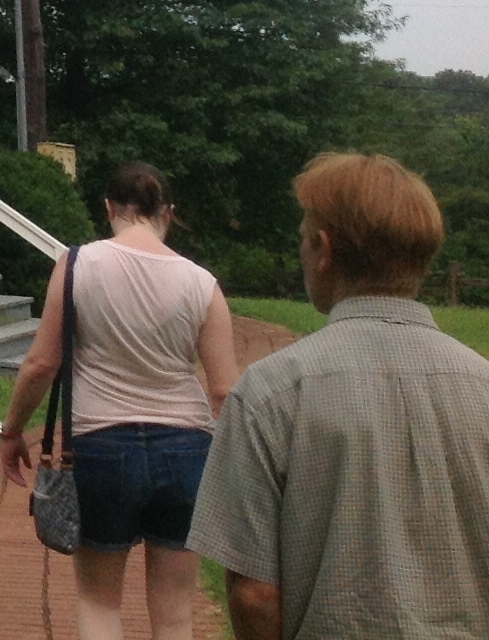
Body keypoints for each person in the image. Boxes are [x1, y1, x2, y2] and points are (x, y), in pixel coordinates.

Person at [190, 152, 489, 640]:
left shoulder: (271, 392)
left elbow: (255, 592)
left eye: (304, 239)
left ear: (323, 249)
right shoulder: (483, 384)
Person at [0, 160, 240, 640]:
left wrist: (11, 431)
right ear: (168, 212)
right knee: (174, 615)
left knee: (99, 602)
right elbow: (223, 389)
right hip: (187, 449)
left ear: (108, 208)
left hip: (101, 445)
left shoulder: (77, 265)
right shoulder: (201, 283)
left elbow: (42, 364)